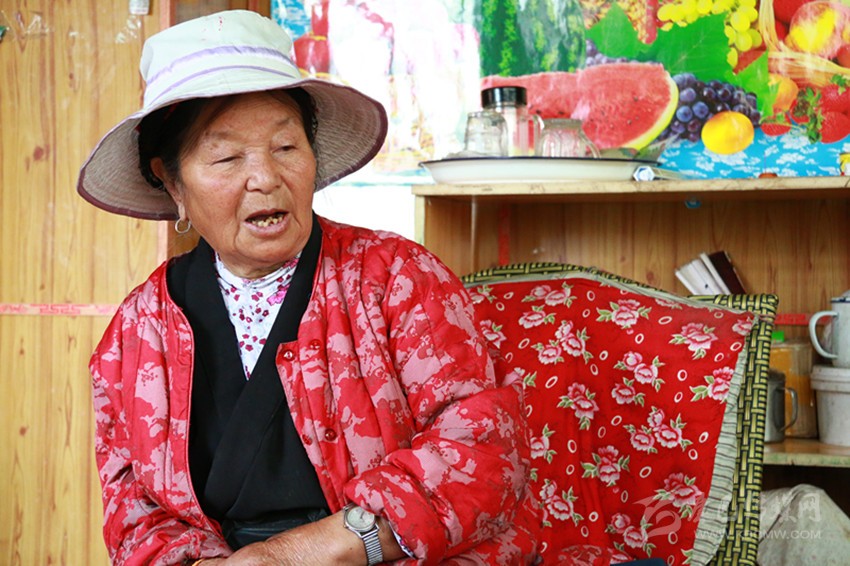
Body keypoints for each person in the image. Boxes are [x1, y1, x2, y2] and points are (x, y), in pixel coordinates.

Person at [77, 9, 540, 566]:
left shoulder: (397, 277)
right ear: (173, 183)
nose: (265, 178)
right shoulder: (138, 328)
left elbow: (483, 449)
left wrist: (299, 554)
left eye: (286, 147)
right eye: (226, 157)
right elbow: (132, 507)